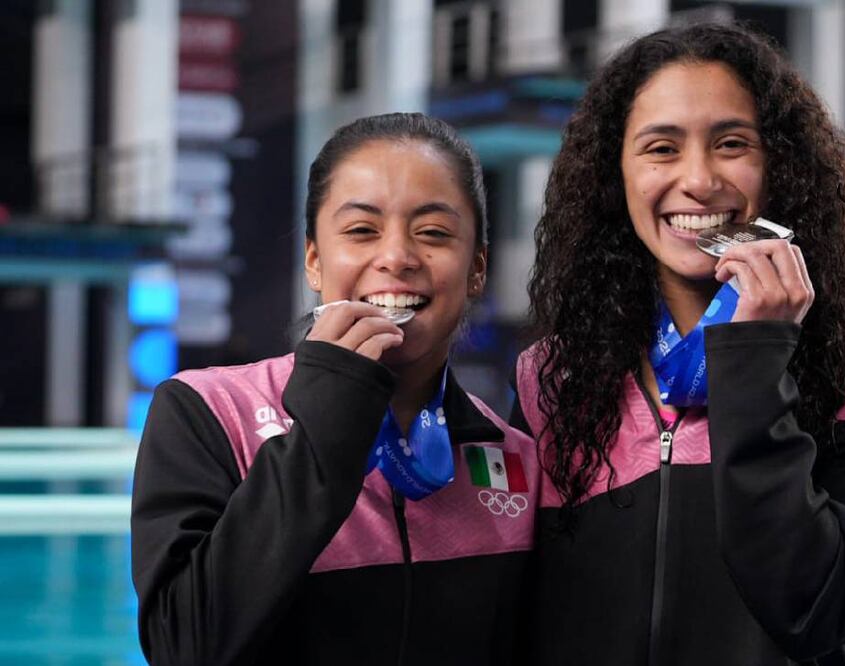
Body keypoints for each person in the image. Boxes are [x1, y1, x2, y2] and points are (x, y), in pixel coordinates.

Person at [511, 22, 845, 665]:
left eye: (732, 143)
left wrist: (756, 359)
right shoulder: (554, 376)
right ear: (614, 175)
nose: (699, 180)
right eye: (660, 148)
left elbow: (811, 612)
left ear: (781, 167)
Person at [131, 113, 539, 665]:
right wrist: (324, 430)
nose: (396, 256)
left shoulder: (516, 458)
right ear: (315, 261)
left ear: (477, 269)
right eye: (362, 230)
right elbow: (184, 648)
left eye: (435, 233)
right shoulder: (209, 413)